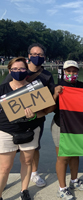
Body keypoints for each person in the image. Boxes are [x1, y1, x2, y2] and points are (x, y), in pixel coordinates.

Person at [0, 57, 56, 200]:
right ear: (9, 70)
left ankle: (24, 190)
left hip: (30, 130)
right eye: (15, 69)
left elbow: (47, 110)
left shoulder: (36, 89)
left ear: (27, 70)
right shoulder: (2, 89)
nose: (19, 71)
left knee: (27, 161)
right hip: (6, 130)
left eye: (22, 69)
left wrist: (34, 115)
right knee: (5, 167)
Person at [50, 60, 83, 200]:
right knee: (63, 157)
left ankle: (74, 181)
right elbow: (49, 109)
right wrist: (55, 94)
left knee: (74, 154)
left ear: (77, 72)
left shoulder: (81, 85)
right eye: (68, 71)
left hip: (75, 126)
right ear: (64, 71)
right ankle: (62, 188)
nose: (71, 74)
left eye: (74, 71)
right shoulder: (57, 86)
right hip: (60, 126)